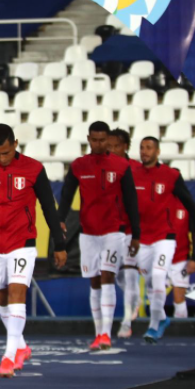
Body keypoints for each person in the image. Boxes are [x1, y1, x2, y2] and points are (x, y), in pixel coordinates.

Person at [0, 124, 66, 377]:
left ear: (16, 144)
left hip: (23, 242)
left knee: (18, 292)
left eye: (6, 152)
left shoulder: (33, 168)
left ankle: (9, 356)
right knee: (1, 297)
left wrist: (59, 244)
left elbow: (48, 207)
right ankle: (21, 347)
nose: (2, 158)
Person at [58, 121, 140, 351]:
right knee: (94, 282)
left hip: (114, 231)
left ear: (108, 140)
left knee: (107, 277)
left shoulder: (121, 166)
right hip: (88, 232)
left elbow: (131, 200)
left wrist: (136, 234)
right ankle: (98, 333)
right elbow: (66, 195)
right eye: (94, 140)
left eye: (103, 140)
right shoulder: (79, 165)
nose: (99, 144)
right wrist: (60, 219)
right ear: (88, 139)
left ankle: (105, 334)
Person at [133, 136, 195, 343]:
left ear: (158, 151)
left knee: (157, 276)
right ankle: (162, 319)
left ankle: (154, 327)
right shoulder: (132, 175)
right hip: (143, 240)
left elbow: (190, 202)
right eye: (142, 148)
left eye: (149, 148)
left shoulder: (170, 175)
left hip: (165, 237)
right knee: (153, 285)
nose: (144, 151)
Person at [106, 128, 141, 339]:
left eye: (115, 146)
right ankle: (134, 301)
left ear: (125, 146)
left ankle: (126, 322)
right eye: (108, 146)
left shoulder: (136, 168)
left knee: (129, 271)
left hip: (129, 228)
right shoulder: (103, 167)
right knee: (116, 275)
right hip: (109, 228)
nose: (111, 150)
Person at [168, 197, 193, 318]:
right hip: (159, 258)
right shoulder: (156, 203)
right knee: (155, 296)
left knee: (179, 299)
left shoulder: (187, 204)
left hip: (180, 259)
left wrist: (194, 259)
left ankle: (180, 330)